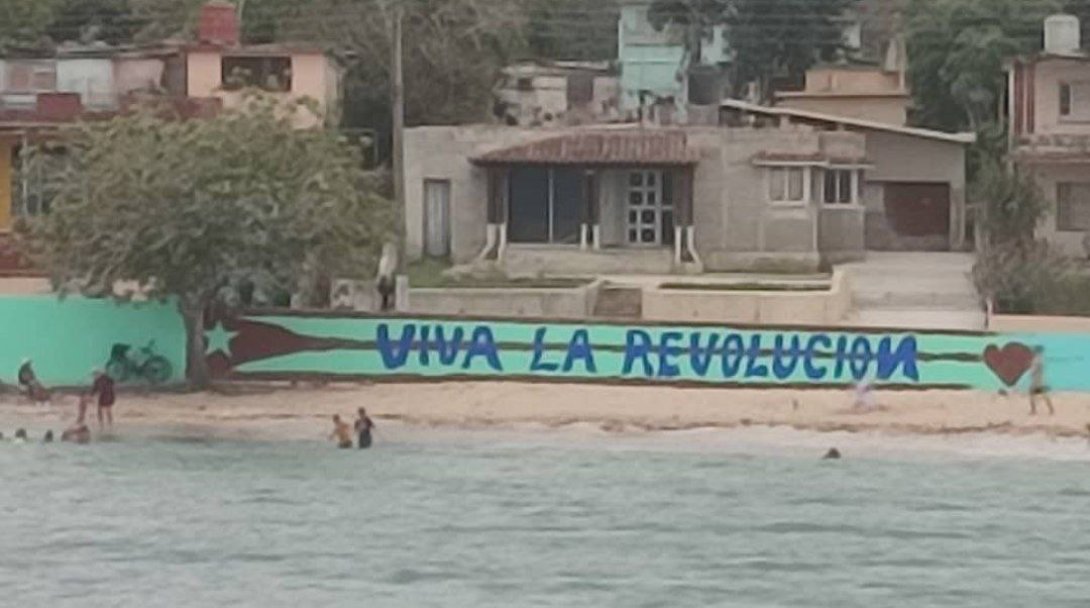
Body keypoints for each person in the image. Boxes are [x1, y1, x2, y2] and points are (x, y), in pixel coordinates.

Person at [1029, 347, 1055, 416]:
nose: (1033, 352)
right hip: (1040, 380)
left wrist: (1031, 372)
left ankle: (1033, 410)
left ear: (1036, 352)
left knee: (1032, 395)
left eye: (1034, 351)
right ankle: (1051, 409)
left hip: (1035, 381)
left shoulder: (1036, 360)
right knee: (1044, 395)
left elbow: (1033, 371)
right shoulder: (1041, 360)